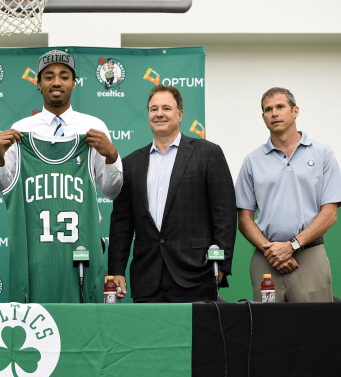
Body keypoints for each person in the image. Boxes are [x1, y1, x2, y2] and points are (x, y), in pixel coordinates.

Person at [0, 50, 123, 303]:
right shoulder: (21, 130)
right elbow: (7, 187)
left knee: (85, 317)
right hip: (35, 245)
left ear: (74, 83)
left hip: (82, 243)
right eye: (49, 76)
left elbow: (112, 191)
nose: (56, 82)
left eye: (64, 76)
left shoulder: (93, 127)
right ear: (38, 83)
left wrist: (111, 156)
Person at [108, 85, 237, 303]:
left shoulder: (208, 153)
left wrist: (221, 266)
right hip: (147, 278)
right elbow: (122, 223)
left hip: (196, 273)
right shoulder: (130, 164)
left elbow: (224, 214)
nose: (159, 114)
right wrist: (116, 271)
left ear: (180, 114)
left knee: (199, 338)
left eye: (166, 108)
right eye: (153, 109)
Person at [235, 87, 341, 302]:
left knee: (315, 331)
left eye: (280, 107)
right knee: (268, 329)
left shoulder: (322, 154)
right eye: (268, 109)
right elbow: (244, 219)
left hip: (309, 255)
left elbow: (330, 213)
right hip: (267, 259)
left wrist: (292, 245)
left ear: (295, 111)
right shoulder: (252, 160)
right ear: (263, 117)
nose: (274, 113)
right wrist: (274, 252)